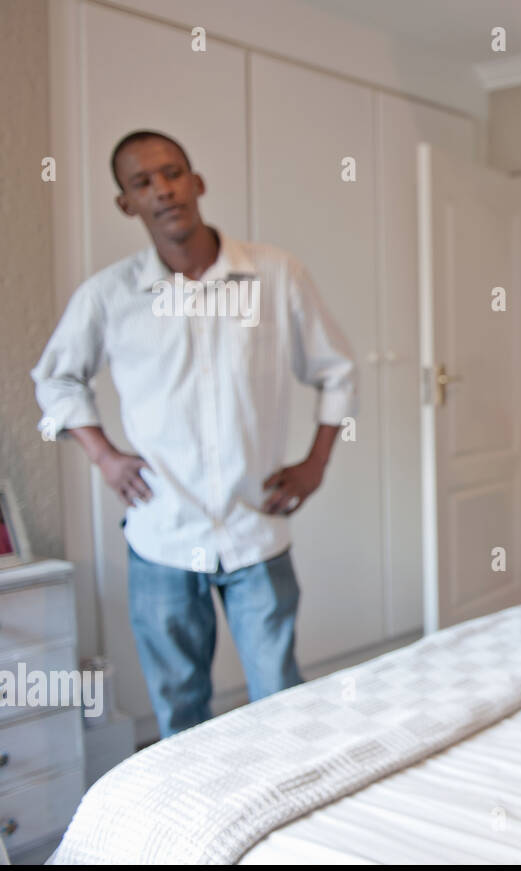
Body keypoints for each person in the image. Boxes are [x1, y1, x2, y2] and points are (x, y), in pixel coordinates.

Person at [31, 129, 358, 739]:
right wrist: (102, 456)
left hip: (255, 527)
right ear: (126, 203)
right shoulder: (109, 296)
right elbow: (55, 380)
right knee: (181, 709)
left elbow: (337, 370)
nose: (163, 189)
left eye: (172, 172)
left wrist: (316, 463)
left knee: (282, 702)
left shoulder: (276, 275)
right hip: (162, 534)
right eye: (142, 182)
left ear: (197, 181)